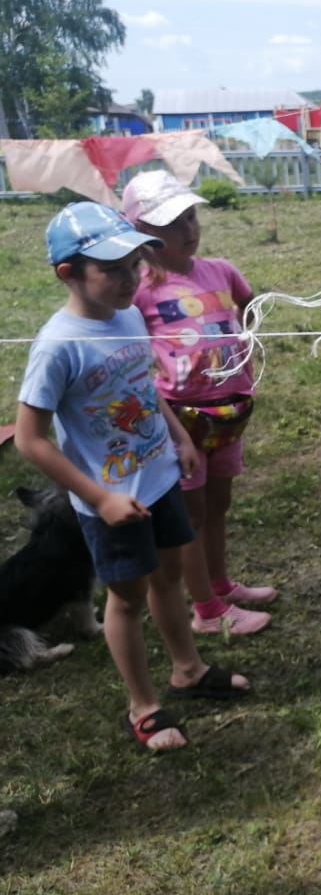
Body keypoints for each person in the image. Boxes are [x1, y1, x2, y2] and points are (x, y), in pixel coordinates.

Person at [15, 202, 251, 752]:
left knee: (168, 577)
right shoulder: (58, 346)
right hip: (113, 500)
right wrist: (99, 498)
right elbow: (30, 439)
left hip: (159, 477)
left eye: (133, 265)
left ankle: (187, 670)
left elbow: (144, 386)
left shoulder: (126, 316)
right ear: (68, 274)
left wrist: (179, 438)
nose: (130, 279)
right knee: (126, 598)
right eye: (112, 269)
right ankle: (143, 706)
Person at [123, 170, 276, 634]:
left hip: (230, 410)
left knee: (218, 504)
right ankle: (206, 611)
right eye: (173, 224)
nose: (188, 230)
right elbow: (132, 353)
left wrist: (244, 339)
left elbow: (249, 303)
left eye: (190, 217)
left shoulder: (221, 270)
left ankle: (219, 584)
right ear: (142, 234)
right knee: (189, 515)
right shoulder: (140, 290)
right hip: (181, 421)